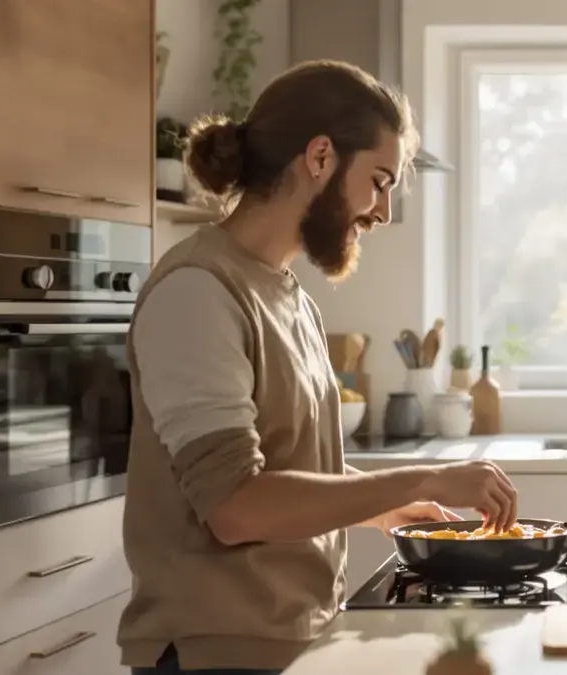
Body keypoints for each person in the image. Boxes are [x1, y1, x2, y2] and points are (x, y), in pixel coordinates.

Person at [118, 60, 519, 675]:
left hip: (291, 638)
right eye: (380, 180)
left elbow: (283, 462)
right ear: (321, 157)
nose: (382, 211)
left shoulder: (287, 294)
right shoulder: (197, 291)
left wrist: (376, 508)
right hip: (216, 653)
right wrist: (420, 480)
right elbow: (235, 506)